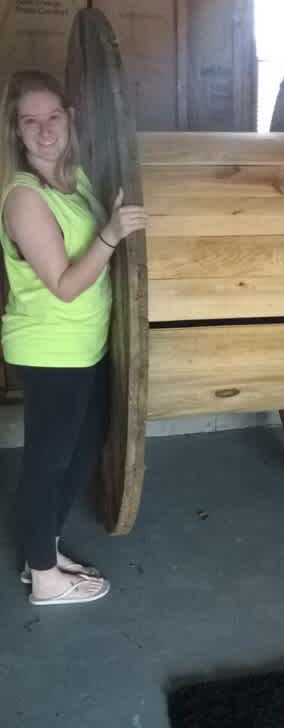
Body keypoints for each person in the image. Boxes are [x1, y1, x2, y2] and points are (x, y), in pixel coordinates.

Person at [0, 70, 146, 606]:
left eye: (52, 117)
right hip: (48, 350)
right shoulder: (24, 199)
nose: (43, 131)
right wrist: (111, 235)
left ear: (70, 118)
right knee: (49, 461)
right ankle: (43, 578)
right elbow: (63, 285)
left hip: (83, 347)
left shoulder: (74, 178)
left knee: (82, 447)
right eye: (29, 121)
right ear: (16, 131)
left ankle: (45, 549)